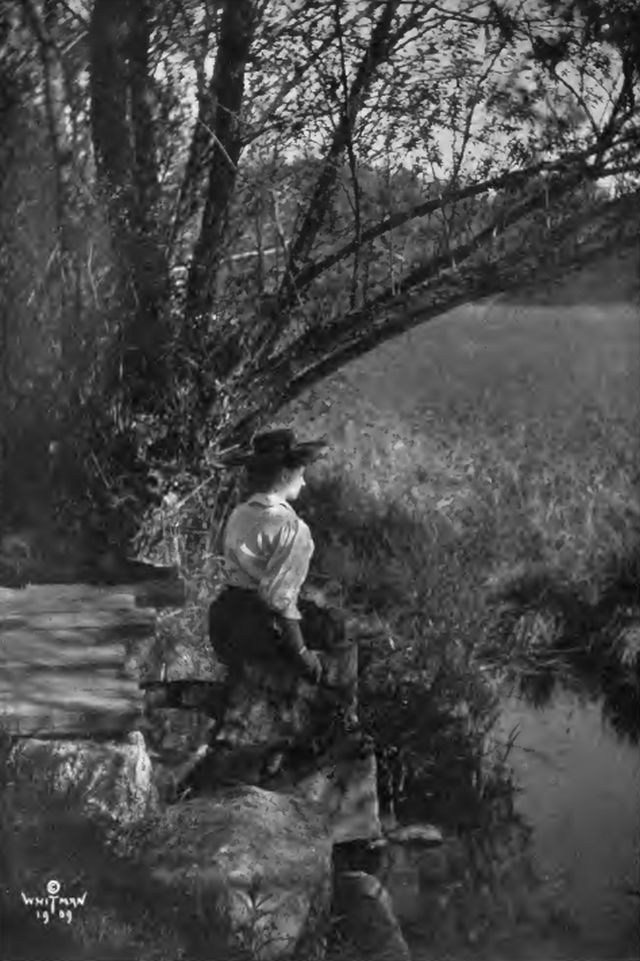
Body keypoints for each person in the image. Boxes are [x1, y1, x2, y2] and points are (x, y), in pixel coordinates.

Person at [208, 427, 359, 742]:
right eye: (301, 473)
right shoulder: (293, 529)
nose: (304, 481)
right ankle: (343, 724)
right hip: (260, 630)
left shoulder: (239, 514)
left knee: (321, 613)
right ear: (286, 475)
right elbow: (278, 599)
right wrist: (303, 654)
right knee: (340, 630)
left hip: (225, 619)